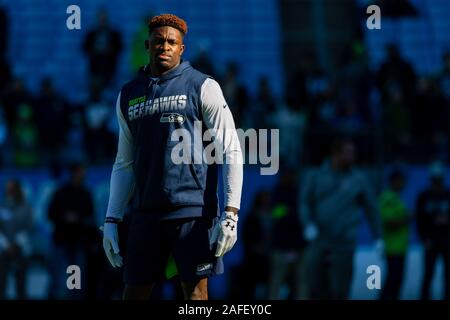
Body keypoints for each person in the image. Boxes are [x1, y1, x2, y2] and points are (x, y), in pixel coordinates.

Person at [102, 14, 243, 300]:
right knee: (134, 294)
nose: (164, 46)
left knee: (195, 294)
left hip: (192, 212)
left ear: (182, 49)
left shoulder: (204, 86)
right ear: (147, 44)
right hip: (145, 213)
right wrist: (111, 219)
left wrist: (230, 214)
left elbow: (231, 149)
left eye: (171, 42)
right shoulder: (128, 94)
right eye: (158, 41)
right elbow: (123, 163)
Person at [300, 138, 383, 299]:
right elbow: (304, 202)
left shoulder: (359, 179)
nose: (352, 157)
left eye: (353, 153)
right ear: (335, 153)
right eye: (348, 153)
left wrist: (378, 236)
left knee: (340, 290)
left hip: (344, 243)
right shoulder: (316, 176)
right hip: (319, 240)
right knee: (315, 286)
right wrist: (307, 224)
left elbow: (371, 209)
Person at [416, 162, 450, 300]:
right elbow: (419, 220)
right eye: (435, 179)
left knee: (448, 274)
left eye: (439, 178)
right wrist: (423, 238)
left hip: (447, 241)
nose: (437, 182)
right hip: (430, 241)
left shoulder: (448, 195)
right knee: (428, 273)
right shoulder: (424, 196)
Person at [0, 179, 34, 299]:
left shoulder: (26, 207)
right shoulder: (2, 206)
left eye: (12, 188)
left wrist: (16, 243)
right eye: (7, 188)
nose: (9, 191)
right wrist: (6, 244)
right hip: (3, 250)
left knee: (21, 282)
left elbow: (29, 227)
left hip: (21, 249)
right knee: (2, 282)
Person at [379, 169, 409, 300]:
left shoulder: (397, 197)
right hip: (392, 248)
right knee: (392, 282)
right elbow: (389, 221)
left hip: (400, 247)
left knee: (397, 282)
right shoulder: (387, 198)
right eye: (401, 181)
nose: (404, 184)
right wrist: (406, 218)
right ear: (394, 181)